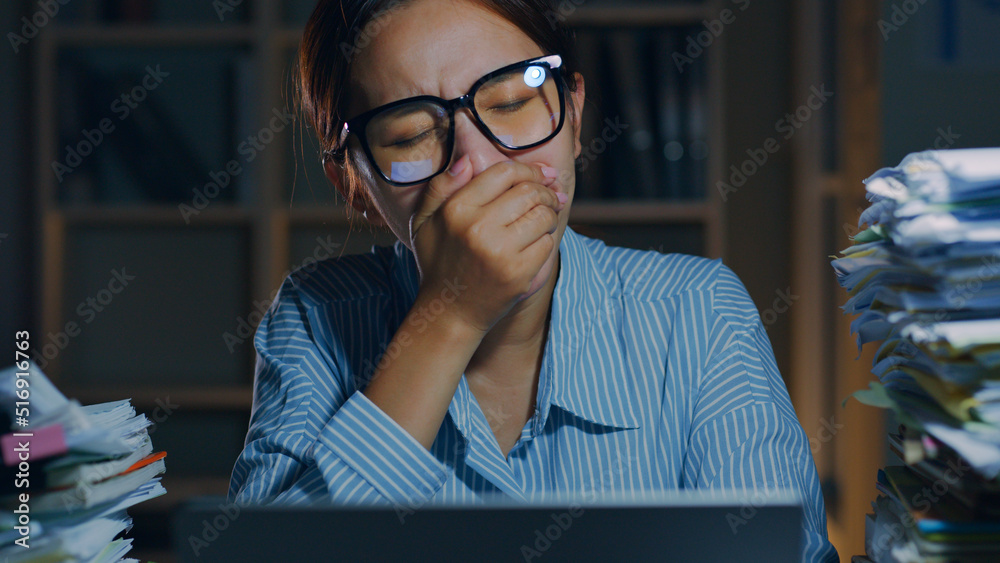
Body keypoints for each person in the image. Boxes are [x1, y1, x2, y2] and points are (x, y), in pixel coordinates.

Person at [228, 0, 838, 560]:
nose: (481, 165)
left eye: (514, 102)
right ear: (356, 187)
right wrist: (451, 314)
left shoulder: (698, 311)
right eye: (411, 135)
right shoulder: (313, 316)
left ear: (572, 114)